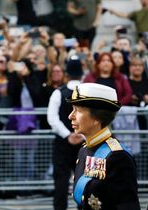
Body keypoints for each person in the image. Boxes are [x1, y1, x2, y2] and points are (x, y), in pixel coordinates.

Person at [68, 83, 140, 209]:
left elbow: (127, 205)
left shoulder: (118, 156)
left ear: (97, 118)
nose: (71, 116)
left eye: (78, 110)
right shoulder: (84, 150)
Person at [47, 57, 84, 210]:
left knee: (61, 182)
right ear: (81, 74)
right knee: (84, 181)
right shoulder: (88, 92)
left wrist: (68, 135)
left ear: (66, 74)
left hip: (63, 143)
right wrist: (80, 135)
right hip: (84, 142)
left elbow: (52, 118)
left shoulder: (58, 92)